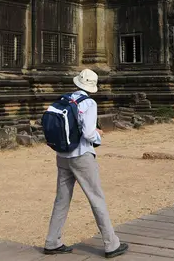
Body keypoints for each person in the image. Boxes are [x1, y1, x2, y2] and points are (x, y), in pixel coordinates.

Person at [43, 69, 128, 258]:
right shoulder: (89, 103)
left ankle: (52, 241)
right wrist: (99, 134)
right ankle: (111, 244)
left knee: (61, 199)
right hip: (81, 156)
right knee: (96, 197)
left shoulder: (66, 99)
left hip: (62, 155)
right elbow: (89, 134)